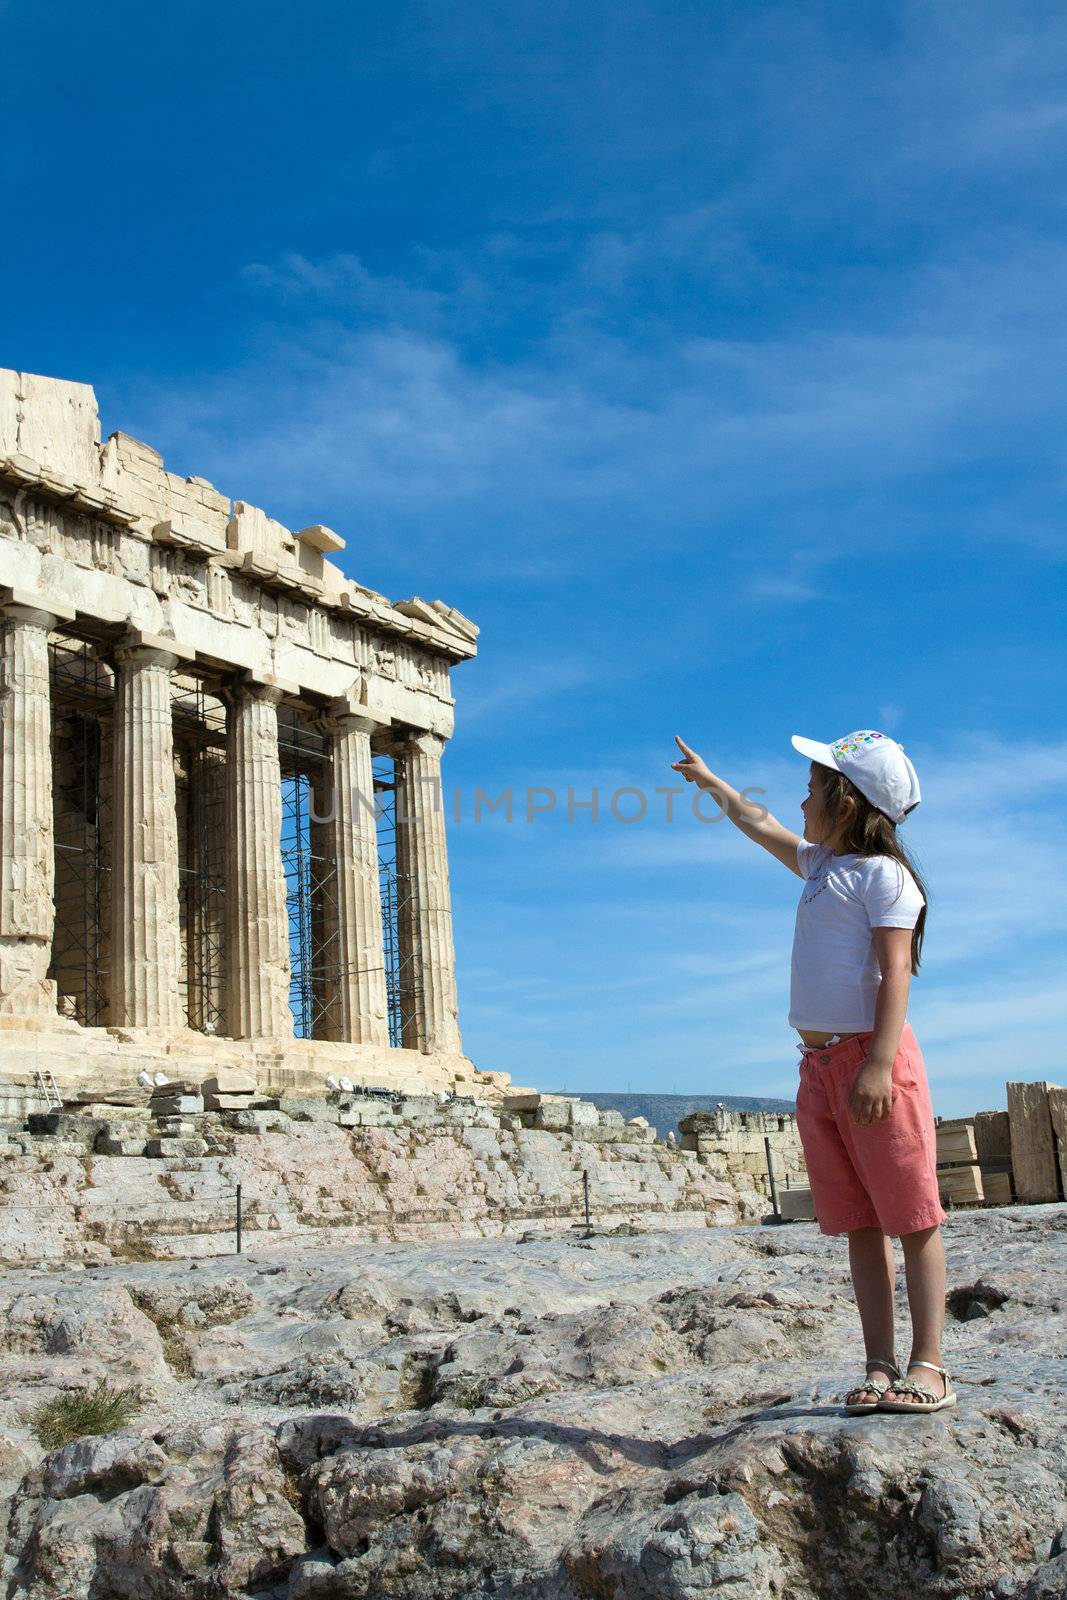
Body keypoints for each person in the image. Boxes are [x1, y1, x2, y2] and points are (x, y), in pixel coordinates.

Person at [670, 728, 956, 1416]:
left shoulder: (884, 877)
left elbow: (895, 972)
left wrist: (879, 1064)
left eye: (810, 789)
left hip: (869, 1062)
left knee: (912, 1217)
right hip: (820, 1067)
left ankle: (931, 1365)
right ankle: (878, 1365)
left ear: (847, 801)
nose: (799, 801)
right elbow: (759, 823)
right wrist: (710, 783)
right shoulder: (822, 867)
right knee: (858, 1220)